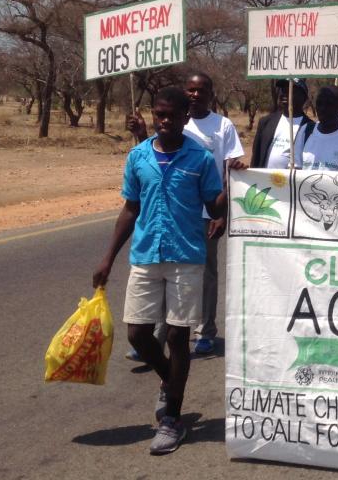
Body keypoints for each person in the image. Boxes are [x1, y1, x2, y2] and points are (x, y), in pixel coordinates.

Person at [94, 86, 226, 454]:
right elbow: (130, 209)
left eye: (173, 115)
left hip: (186, 257)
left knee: (177, 338)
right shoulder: (138, 157)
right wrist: (108, 257)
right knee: (136, 333)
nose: (165, 121)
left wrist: (231, 190)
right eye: (160, 114)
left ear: (187, 116)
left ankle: (172, 419)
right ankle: (170, 380)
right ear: (154, 115)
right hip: (146, 255)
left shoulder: (200, 158)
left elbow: (214, 203)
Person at [124, 73, 246, 357]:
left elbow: (229, 167)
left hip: (209, 208)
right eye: (190, 89)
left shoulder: (223, 126)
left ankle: (205, 331)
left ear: (211, 94)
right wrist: (140, 134)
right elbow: (157, 157)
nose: (194, 94)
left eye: (201, 90)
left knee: (205, 273)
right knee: (166, 269)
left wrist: (222, 213)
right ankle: (156, 335)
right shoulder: (177, 119)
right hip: (178, 211)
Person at [250, 79, 315, 168]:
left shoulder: (311, 128)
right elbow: (256, 158)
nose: (284, 94)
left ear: (303, 97)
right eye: (283, 90)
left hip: (293, 181)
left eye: (291, 91)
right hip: (264, 180)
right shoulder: (266, 122)